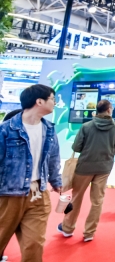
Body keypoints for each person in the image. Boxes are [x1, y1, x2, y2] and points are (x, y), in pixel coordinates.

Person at [0, 85, 61, 262]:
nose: (55, 103)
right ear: (39, 101)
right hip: (8, 194)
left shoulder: (49, 129)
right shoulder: (6, 130)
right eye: (52, 99)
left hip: (38, 194)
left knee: (34, 244)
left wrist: (56, 180)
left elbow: (53, 157)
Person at [58, 99, 115, 242]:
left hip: (84, 167)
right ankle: (89, 233)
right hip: (104, 168)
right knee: (97, 201)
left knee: (76, 198)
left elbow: (76, 147)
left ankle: (67, 228)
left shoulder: (86, 126)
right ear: (109, 110)